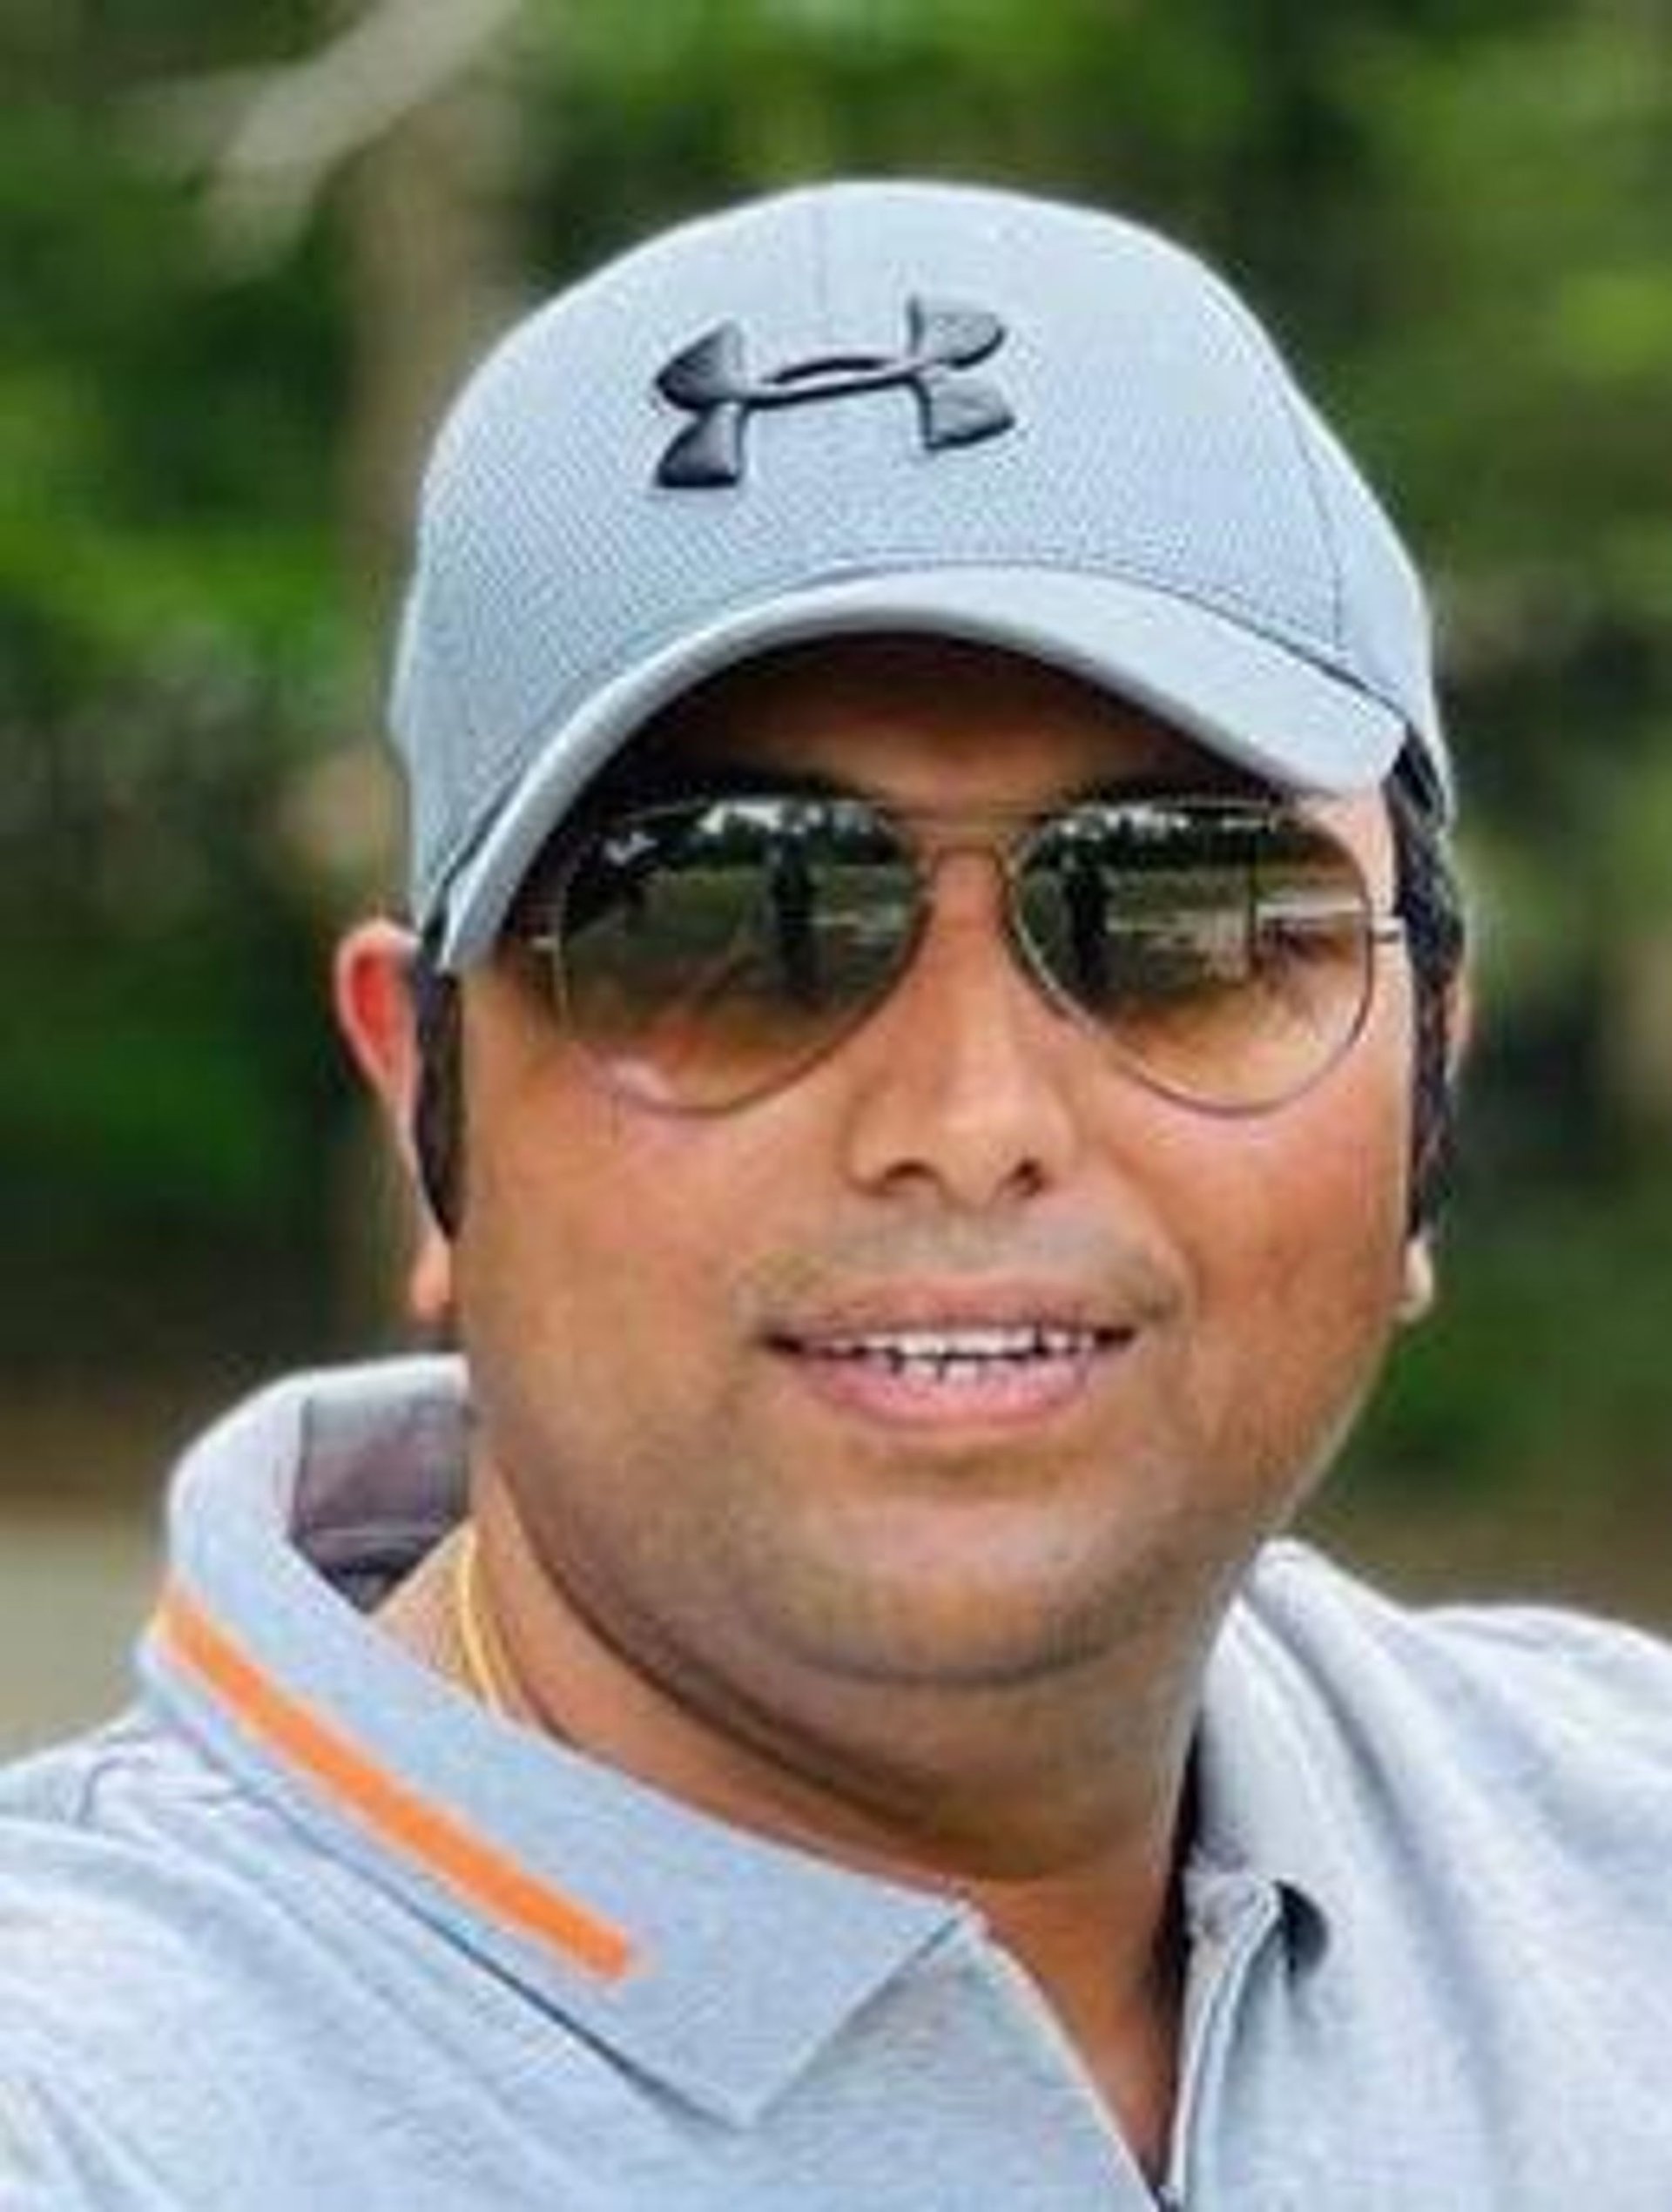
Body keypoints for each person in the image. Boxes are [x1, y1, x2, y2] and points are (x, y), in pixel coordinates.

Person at [4, 179, 1671, 2212]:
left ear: (1430, 1082)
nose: (969, 1116)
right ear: (421, 1100)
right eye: (726, 921)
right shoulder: (83, 2112)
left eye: (1180, 910)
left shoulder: (1620, 1872)